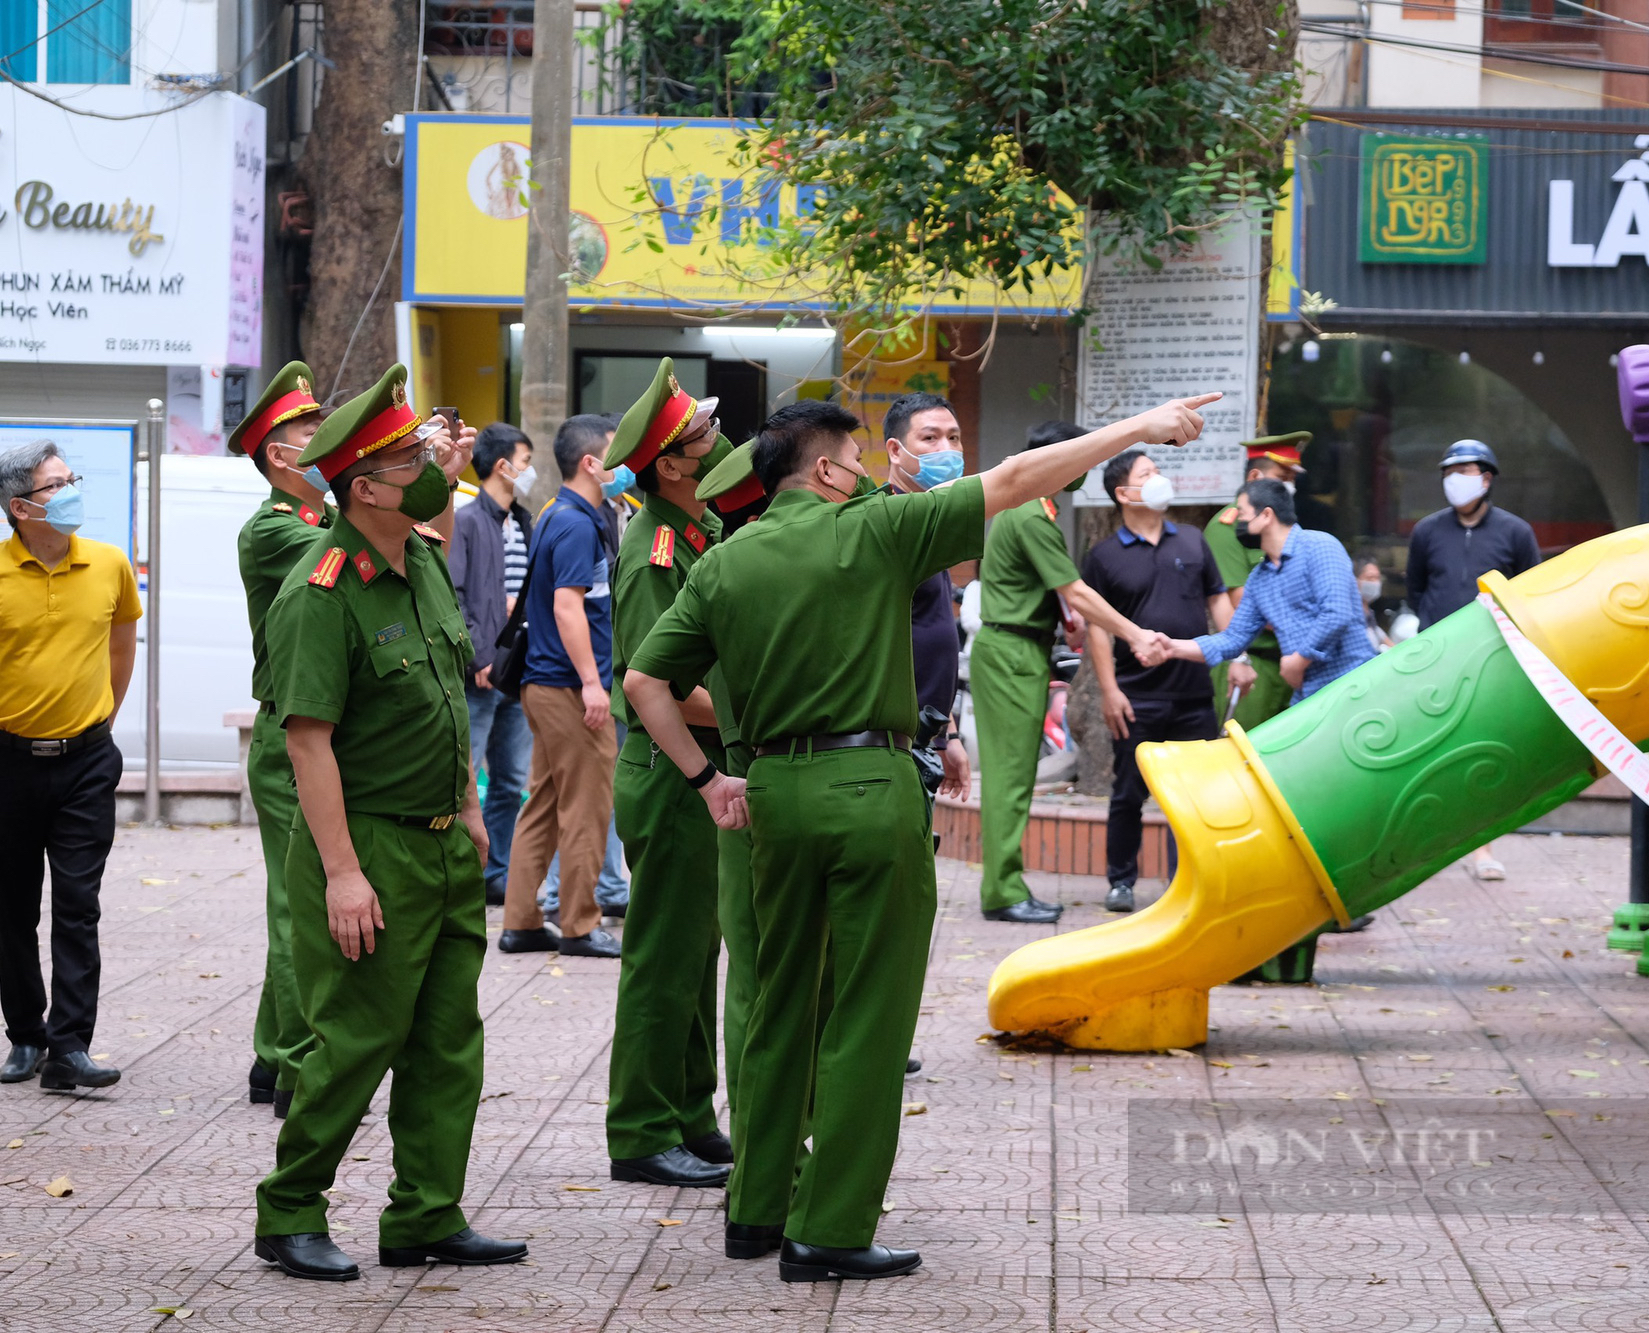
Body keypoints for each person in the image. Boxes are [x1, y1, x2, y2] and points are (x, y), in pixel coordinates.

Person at [623, 392, 1212, 1282]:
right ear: (822, 469)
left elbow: (642, 680)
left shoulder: (724, 561)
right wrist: (1137, 428)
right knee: (866, 1012)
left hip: (771, 793)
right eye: (854, 459)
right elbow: (1016, 479)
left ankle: (757, 1210)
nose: (864, 472)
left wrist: (710, 782)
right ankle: (831, 1227)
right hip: (869, 788)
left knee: (778, 1001)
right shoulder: (877, 530)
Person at [252, 364, 522, 1281]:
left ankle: (425, 1213)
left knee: (449, 1038)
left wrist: (474, 810)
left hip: (445, 839)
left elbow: (448, 697)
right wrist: (340, 872)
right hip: (369, 845)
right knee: (358, 1037)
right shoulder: (320, 592)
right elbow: (310, 743)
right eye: (410, 457)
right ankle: (290, 1207)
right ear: (363, 485)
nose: (433, 464)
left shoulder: (423, 564)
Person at [0, 440, 142, 1093]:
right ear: (20, 506)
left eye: (71, 477)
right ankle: (26, 1034)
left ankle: (68, 1045)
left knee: (79, 904)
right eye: (57, 484)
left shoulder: (108, 564)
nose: (72, 489)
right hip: (6, 763)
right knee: (13, 907)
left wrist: (100, 716)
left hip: (86, 762)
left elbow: (122, 642)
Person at [600, 359, 737, 1189]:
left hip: (699, 771)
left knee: (698, 952)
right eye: (703, 436)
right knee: (662, 955)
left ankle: (689, 1113)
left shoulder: (700, 533)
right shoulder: (655, 550)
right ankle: (642, 1129)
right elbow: (658, 687)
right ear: (673, 465)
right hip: (673, 772)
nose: (720, 442)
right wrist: (758, 711)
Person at [970, 420, 1164, 924]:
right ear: (1056, 462)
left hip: (1019, 649)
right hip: (1012, 654)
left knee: (1013, 775)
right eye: (1078, 459)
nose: (1084, 470)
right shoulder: (1032, 514)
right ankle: (1003, 891)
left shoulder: (1033, 511)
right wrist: (1135, 633)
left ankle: (1004, 885)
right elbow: (1075, 591)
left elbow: (1054, 595)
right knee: (1011, 777)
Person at [228, 362, 329, 1118]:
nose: (325, 439)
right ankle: (299, 1065)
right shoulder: (273, 530)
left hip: (311, 729)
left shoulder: (318, 523)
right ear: (278, 456)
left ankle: (272, 1052)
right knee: (302, 904)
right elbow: (363, 566)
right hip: (288, 735)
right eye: (310, 430)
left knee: (296, 897)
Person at [496, 414, 626, 957]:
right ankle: (578, 922)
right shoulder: (574, 522)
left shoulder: (559, 513)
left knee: (545, 804)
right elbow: (568, 607)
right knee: (587, 807)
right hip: (570, 689)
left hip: (547, 684)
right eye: (617, 455)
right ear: (591, 463)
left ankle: (522, 921)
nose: (626, 466)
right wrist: (595, 685)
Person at [1080, 450, 1230, 913]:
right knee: (1128, 792)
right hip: (1136, 696)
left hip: (1194, 694)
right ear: (1124, 493)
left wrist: (1235, 650)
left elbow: (1218, 601)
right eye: (1149, 474)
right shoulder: (1102, 556)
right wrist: (1109, 690)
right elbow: (1098, 628)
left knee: (1196, 797)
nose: (1160, 479)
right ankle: (1121, 881)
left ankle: (1187, 880)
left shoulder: (1192, 540)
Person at [1403, 439, 1542, 880]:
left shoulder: (1516, 532)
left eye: (1463, 472)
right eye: (1448, 473)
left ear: (1486, 479)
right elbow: (1416, 589)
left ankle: (1483, 848)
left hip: (1493, 656)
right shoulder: (1427, 531)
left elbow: (1528, 592)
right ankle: (1427, 845)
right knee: (1431, 747)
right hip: (1436, 655)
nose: (1454, 482)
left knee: (1483, 750)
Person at [1146, 478, 1373, 703]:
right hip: (1310, 694)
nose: (1237, 522)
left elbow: (1337, 613)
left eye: (1242, 513)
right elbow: (1234, 639)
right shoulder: (1259, 578)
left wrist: (1298, 660)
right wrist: (1173, 647)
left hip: (1354, 684)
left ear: (1266, 515)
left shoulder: (1319, 546)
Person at [447, 422, 538, 907]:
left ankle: (495, 874)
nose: (530, 471)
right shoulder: (466, 521)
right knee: (467, 779)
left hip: (517, 675)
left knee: (508, 782)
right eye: (525, 462)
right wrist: (478, 657)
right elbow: (455, 594)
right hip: (479, 677)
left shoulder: (525, 521)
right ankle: (465, 872)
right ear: (502, 465)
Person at [883, 391, 973, 800]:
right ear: (896, 451)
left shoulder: (931, 520)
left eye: (954, 438)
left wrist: (947, 735)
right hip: (889, 742)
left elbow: (930, 633)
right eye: (931, 439)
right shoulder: (888, 523)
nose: (947, 450)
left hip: (925, 732)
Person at [1355, 555, 1392, 653]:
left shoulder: (1368, 612)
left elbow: (1380, 636)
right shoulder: (1353, 613)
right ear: (1355, 580)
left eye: (1377, 578)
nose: (1374, 583)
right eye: (1370, 578)